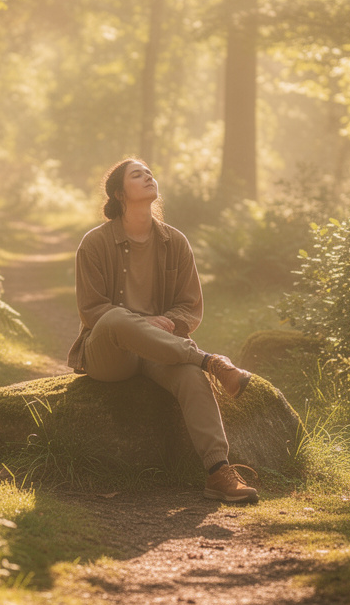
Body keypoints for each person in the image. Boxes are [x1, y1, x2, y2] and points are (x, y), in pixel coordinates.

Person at [68, 157, 259, 503]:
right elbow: (93, 310)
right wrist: (139, 322)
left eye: (150, 173)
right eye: (137, 175)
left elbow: (190, 307)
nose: (148, 177)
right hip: (110, 355)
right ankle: (212, 361)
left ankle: (218, 472)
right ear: (119, 193)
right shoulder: (94, 243)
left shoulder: (176, 242)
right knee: (114, 319)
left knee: (190, 376)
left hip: (161, 350)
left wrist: (168, 321)